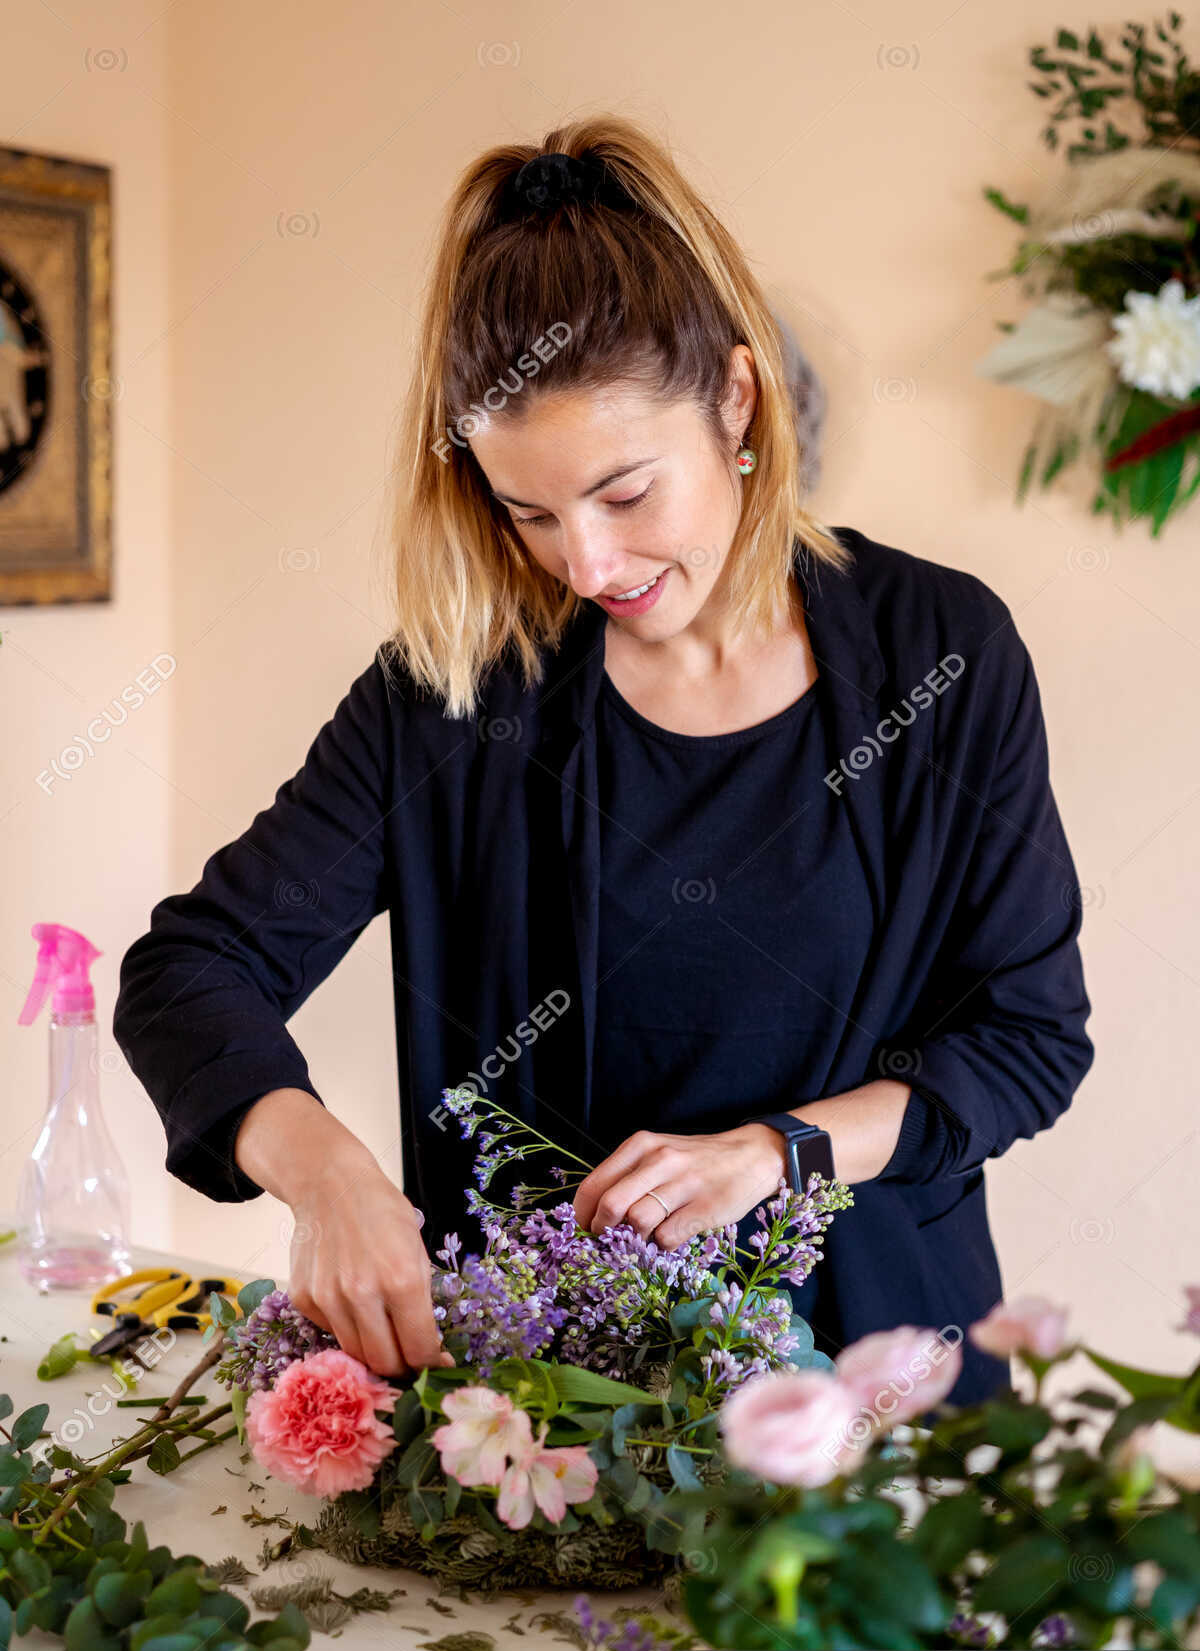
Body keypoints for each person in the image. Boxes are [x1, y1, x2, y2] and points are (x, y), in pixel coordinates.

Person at [113, 115, 1095, 1406]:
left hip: (877, 1415)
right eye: (529, 513)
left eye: (626, 494)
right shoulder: (455, 692)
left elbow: (1026, 1036)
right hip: (543, 1444)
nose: (585, 565)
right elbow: (190, 972)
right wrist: (324, 1170)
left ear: (736, 403)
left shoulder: (940, 651)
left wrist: (776, 1157)